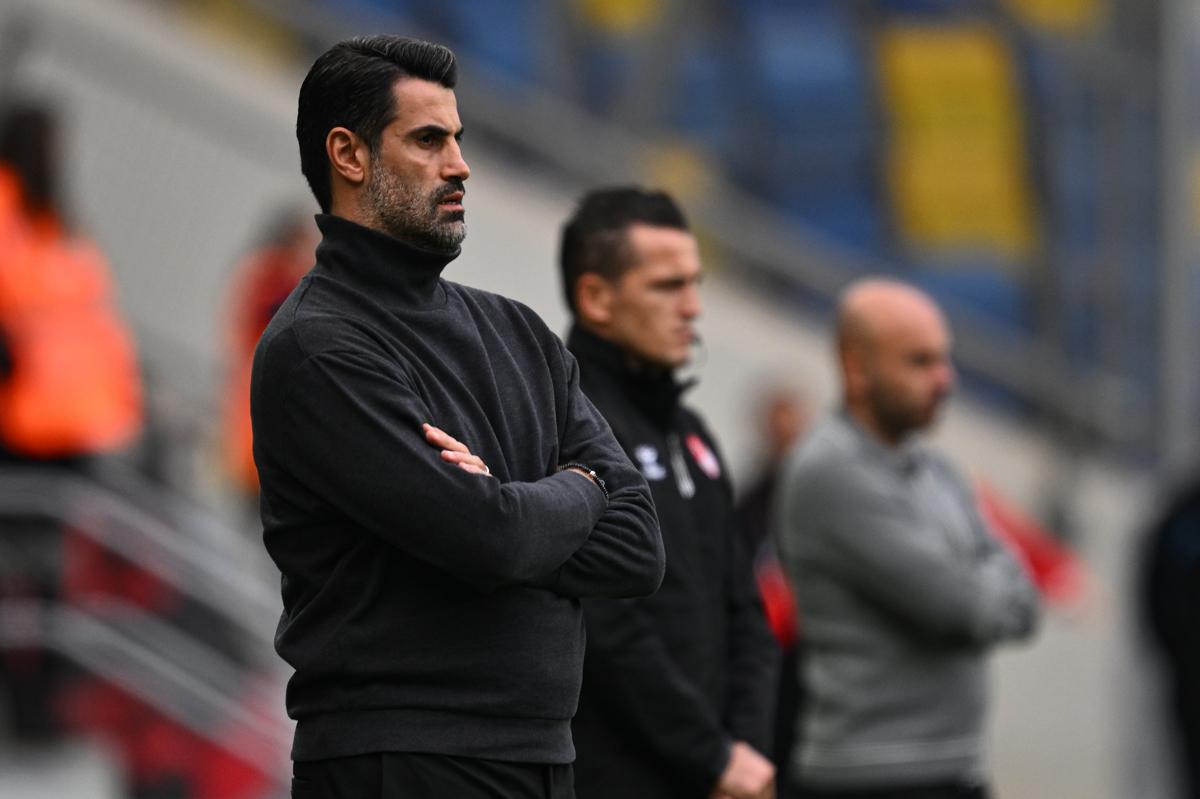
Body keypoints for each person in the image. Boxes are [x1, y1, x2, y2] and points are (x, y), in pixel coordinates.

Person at [251, 37, 665, 798]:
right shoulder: (319, 347)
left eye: (458, 139)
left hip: (544, 756)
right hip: (398, 762)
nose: (460, 165)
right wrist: (580, 488)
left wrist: (509, 511)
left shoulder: (520, 332)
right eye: (428, 140)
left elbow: (639, 547)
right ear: (349, 155)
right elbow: (491, 537)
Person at [774, 278, 1040, 799]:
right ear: (856, 367)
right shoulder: (831, 471)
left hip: (953, 768)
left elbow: (1025, 597)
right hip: (869, 776)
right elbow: (964, 608)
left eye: (944, 360)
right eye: (920, 362)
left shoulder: (937, 469)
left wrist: (983, 580)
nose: (945, 379)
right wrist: (981, 576)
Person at [559, 187, 779, 799]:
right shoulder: (562, 422)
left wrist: (746, 751)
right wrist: (712, 756)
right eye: (667, 286)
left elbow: (746, 609)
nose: (692, 308)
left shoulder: (692, 434)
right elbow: (606, 626)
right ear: (597, 298)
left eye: (694, 284)